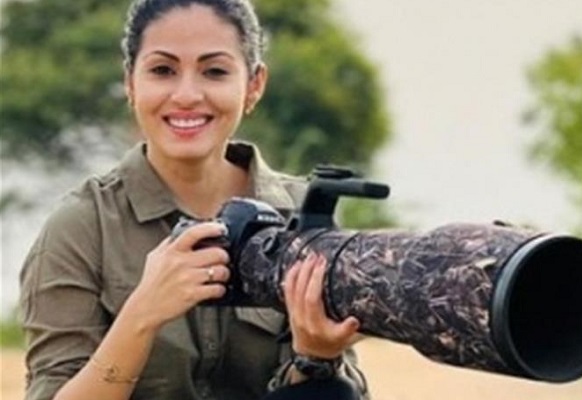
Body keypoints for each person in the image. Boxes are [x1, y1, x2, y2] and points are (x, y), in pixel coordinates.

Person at [19, 0, 370, 399]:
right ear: (131, 84)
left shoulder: (301, 217)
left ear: (254, 86)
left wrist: (315, 358)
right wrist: (141, 316)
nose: (187, 95)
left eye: (215, 72)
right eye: (162, 70)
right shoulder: (84, 226)